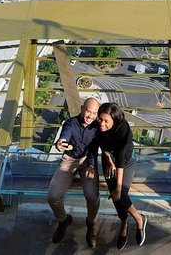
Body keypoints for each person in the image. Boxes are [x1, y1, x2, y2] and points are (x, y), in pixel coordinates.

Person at [47, 97, 101, 248]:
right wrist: (60, 143)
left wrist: (91, 165)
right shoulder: (71, 123)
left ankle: (91, 223)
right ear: (82, 108)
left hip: (87, 161)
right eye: (88, 111)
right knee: (52, 196)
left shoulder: (97, 127)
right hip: (69, 160)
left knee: (92, 196)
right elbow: (65, 136)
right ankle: (64, 220)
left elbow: (94, 150)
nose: (90, 116)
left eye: (94, 113)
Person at [97, 102, 147, 250]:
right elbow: (101, 145)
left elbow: (120, 159)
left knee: (120, 193)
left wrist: (118, 188)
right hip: (109, 161)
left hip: (126, 161)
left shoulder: (123, 129)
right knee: (116, 195)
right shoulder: (98, 124)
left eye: (107, 121)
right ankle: (125, 222)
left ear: (115, 121)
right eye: (101, 119)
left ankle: (138, 219)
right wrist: (108, 159)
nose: (102, 123)